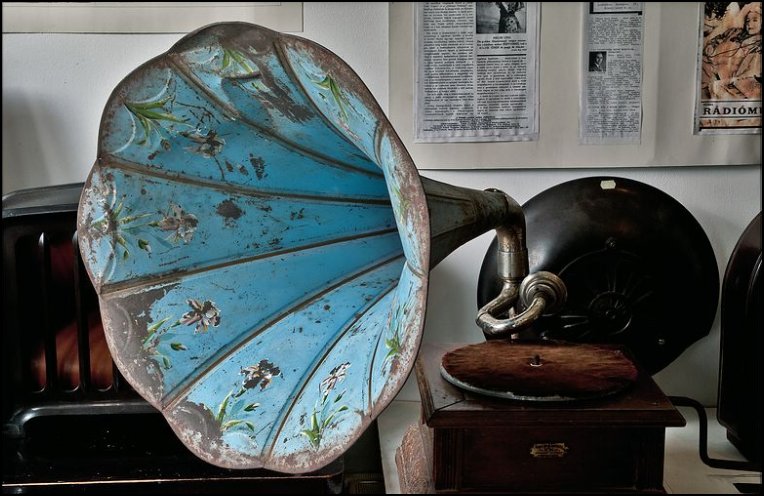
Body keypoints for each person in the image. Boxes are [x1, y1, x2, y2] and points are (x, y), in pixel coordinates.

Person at [705, 2, 761, 100]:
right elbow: (717, 38)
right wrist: (711, 45)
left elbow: (752, 71)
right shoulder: (734, 31)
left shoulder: (758, 43)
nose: (749, 24)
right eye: (747, 21)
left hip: (732, 78)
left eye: (755, 20)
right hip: (712, 67)